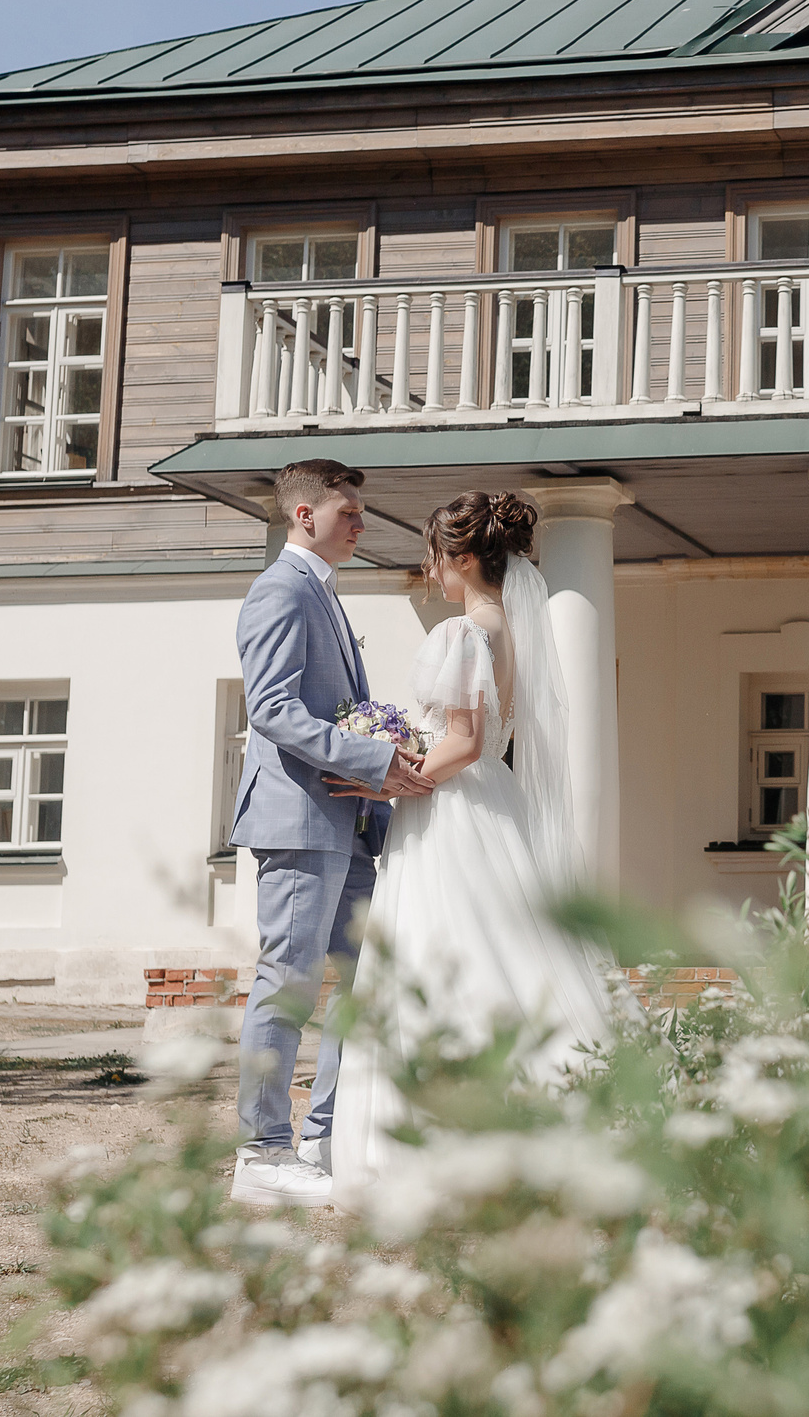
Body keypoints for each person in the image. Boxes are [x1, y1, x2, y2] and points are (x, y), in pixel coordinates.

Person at [323, 490, 612, 1199]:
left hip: (449, 811)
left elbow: (466, 739)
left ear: (459, 556)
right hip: (494, 806)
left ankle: (439, 1146)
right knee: (505, 951)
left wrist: (391, 778)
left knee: (440, 952)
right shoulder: (509, 628)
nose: (430, 569)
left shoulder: (460, 632)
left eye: (433, 555)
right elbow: (486, 740)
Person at [228, 459, 436, 1209]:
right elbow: (274, 709)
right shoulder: (279, 591)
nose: (360, 524)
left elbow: (332, 709)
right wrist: (377, 757)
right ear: (303, 515)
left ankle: (324, 1132)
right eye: (348, 512)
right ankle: (261, 1150)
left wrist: (384, 755)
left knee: (358, 981)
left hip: (346, 821)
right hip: (297, 818)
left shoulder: (324, 595)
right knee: (287, 980)